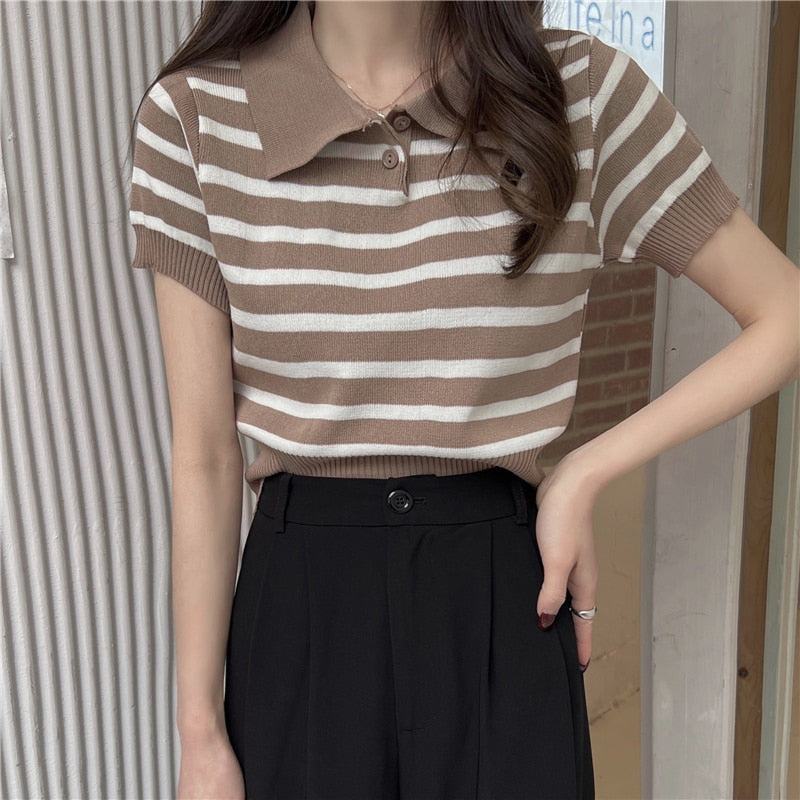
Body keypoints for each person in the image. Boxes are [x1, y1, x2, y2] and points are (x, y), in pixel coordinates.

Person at [127, 1, 799, 797]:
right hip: (303, 621)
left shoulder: (576, 96)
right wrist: (199, 732)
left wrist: (583, 471)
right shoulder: (196, 118)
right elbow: (205, 456)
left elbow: (783, 311)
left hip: (502, 604)